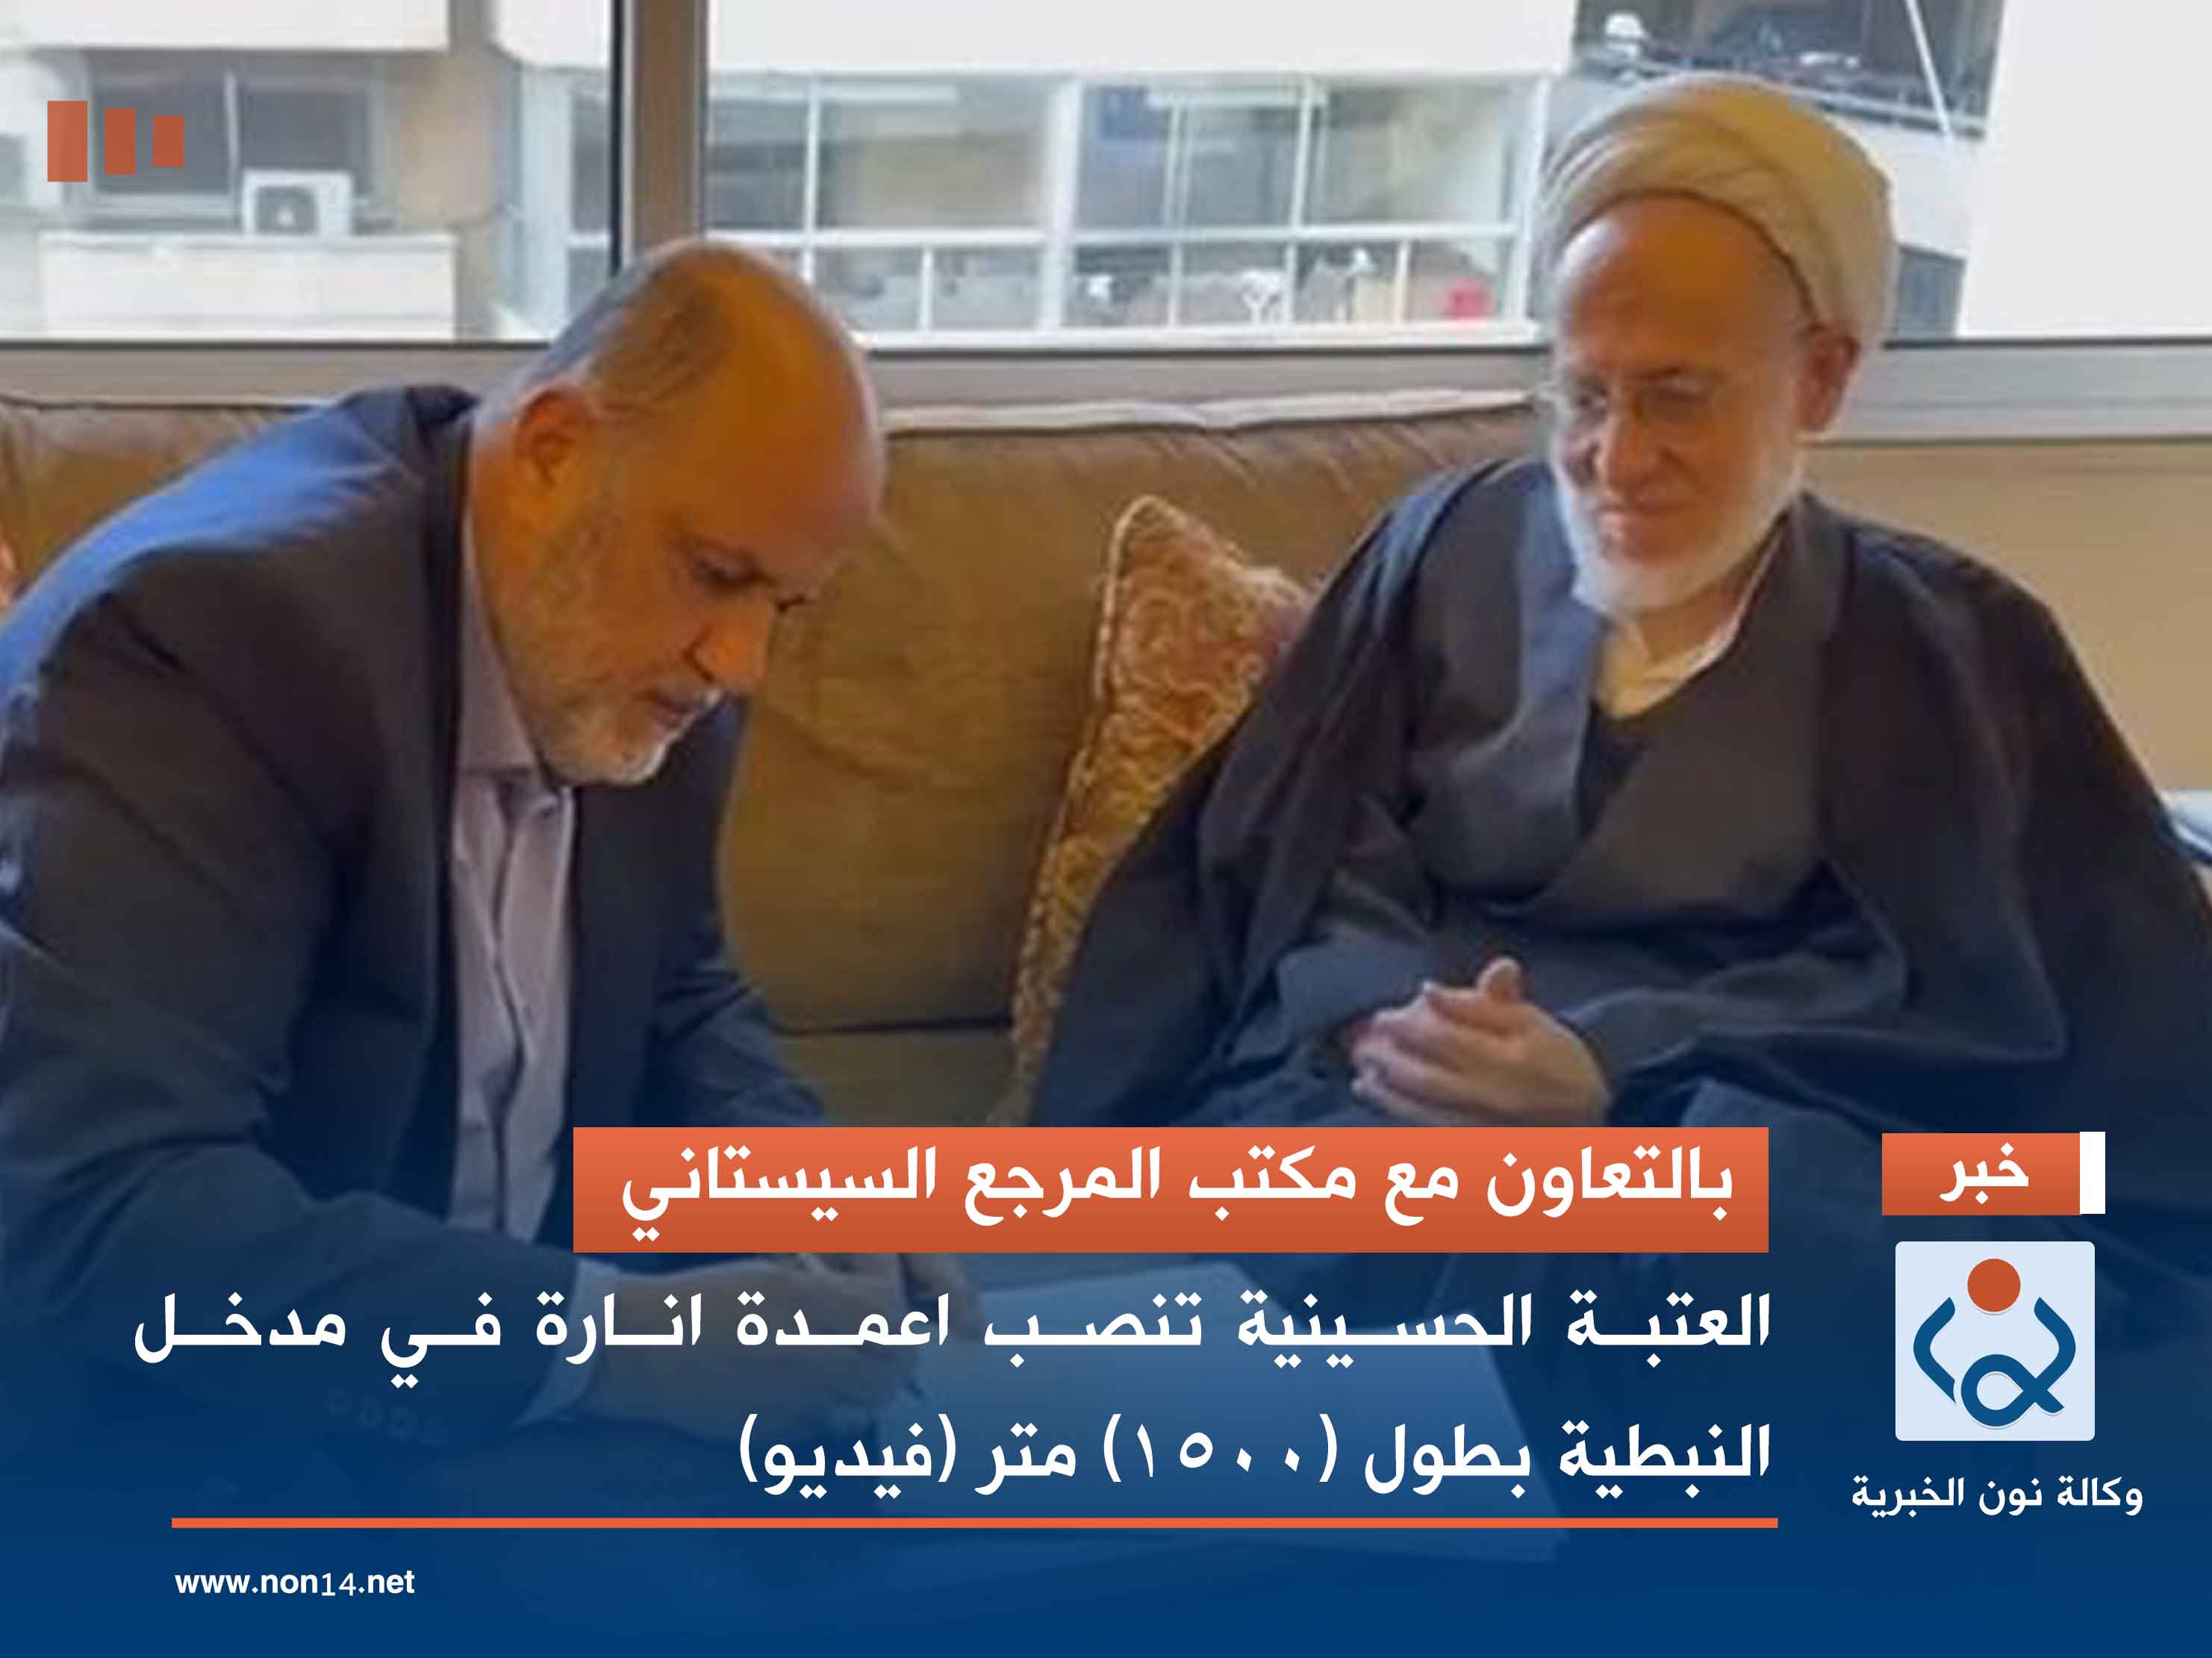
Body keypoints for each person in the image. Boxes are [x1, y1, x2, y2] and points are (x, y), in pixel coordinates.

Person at [1031, 77, 2212, 1458]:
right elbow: (1305, 847)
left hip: (1740, 1115)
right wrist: (1388, 1024)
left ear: (1821, 378)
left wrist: (1612, 1066)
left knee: (1794, 1263)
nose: (1615, 457)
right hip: (1398, 1088)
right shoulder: (1444, 551)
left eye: (1677, 398)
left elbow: (1965, 994)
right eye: (1585, 395)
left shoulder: (1946, 639)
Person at [0, 240, 951, 1508]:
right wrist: (621, 1344)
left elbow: (681, 1004)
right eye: (719, 574)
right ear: (553, 451)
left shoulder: (650, 655)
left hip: (523, 1432)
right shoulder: (214, 641)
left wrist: (809, 1201)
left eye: (784, 605)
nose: (742, 663)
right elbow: (112, 1209)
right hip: (210, 1456)